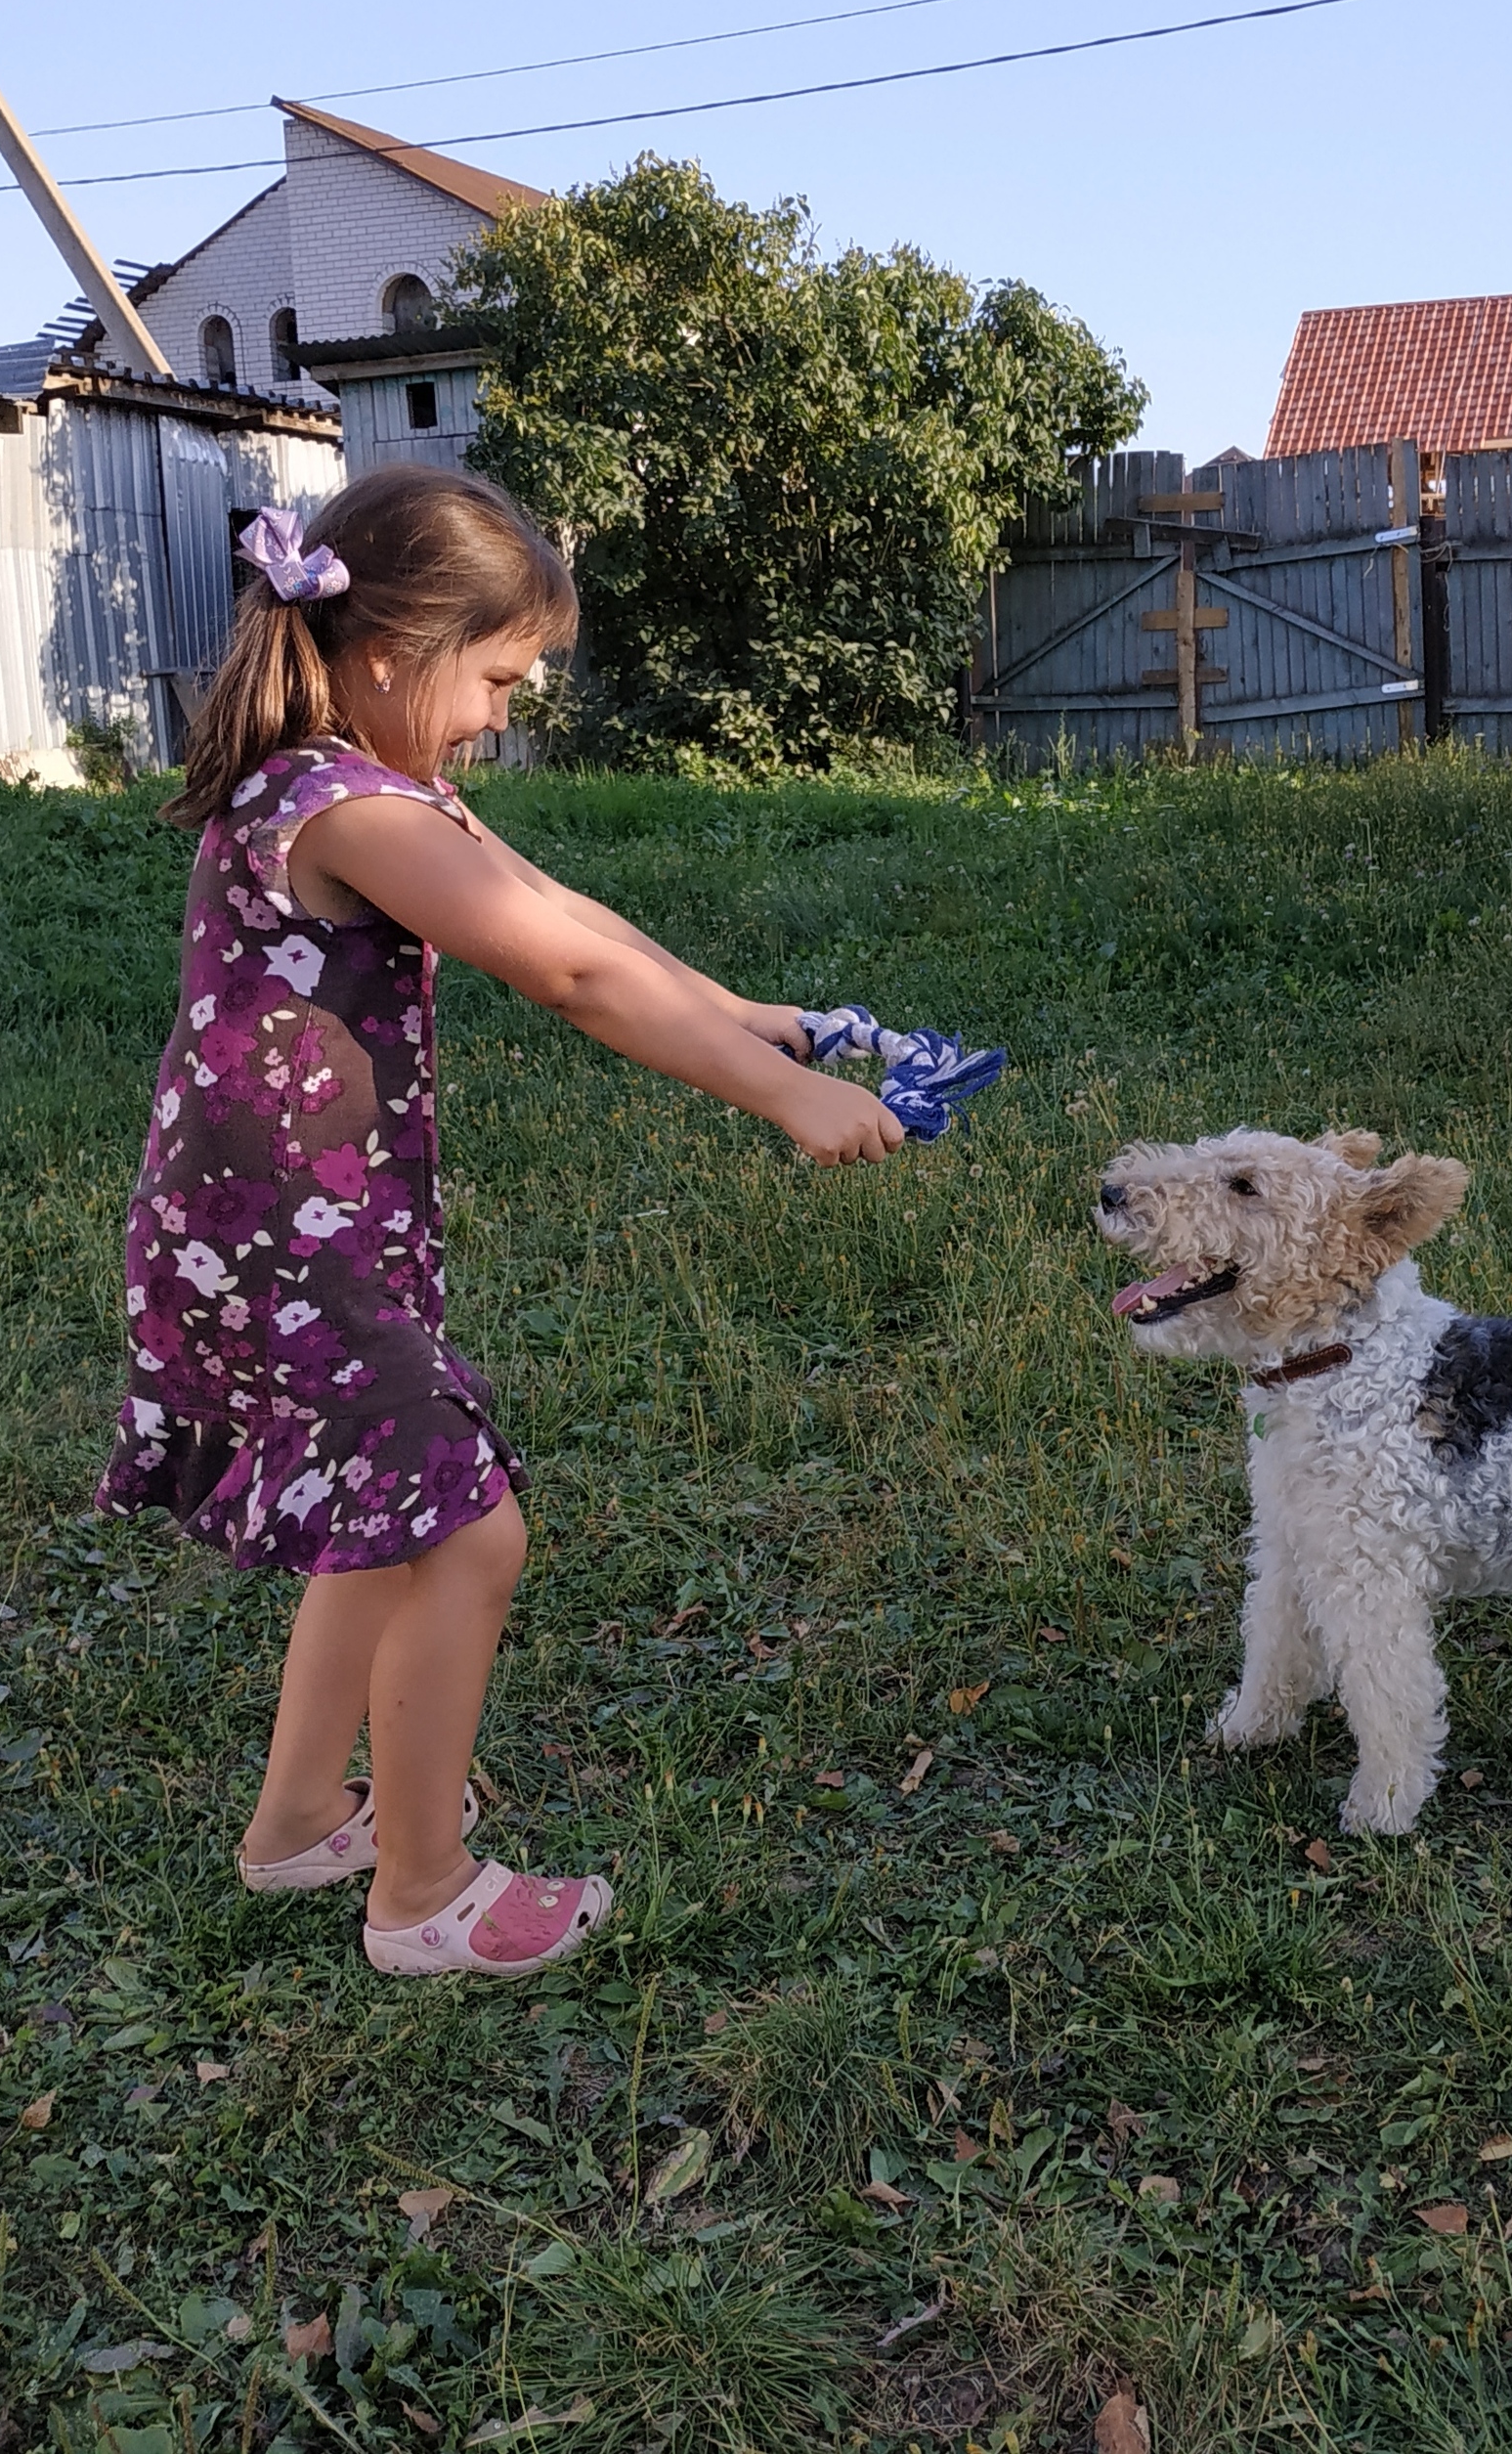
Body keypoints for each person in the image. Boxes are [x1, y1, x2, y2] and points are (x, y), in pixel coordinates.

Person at [97, 466, 901, 1978]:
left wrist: (746, 1015)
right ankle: (423, 1896)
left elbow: (565, 912)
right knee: (467, 1536)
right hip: (285, 1252)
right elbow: (568, 980)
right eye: (499, 676)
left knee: (380, 1529)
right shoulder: (348, 809)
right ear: (393, 651)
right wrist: (779, 1100)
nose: (504, 713)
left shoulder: (376, 786)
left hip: (301, 1232)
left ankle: (294, 1823)